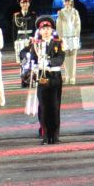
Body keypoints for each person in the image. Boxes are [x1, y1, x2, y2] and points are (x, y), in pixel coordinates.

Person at [33, 15, 65, 144]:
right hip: (42, 76)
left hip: (54, 76)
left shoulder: (58, 43)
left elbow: (60, 59)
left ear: (52, 30)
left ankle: (55, 135)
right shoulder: (36, 44)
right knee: (44, 107)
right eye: (43, 28)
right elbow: (25, 54)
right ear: (39, 31)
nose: (46, 31)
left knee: (55, 106)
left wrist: (49, 62)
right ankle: (46, 136)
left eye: (48, 28)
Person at [56, 0, 82, 85]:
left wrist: (77, 37)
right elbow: (58, 26)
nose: (67, 3)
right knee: (66, 58)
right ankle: (67, 76)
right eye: (65, 1)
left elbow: (78, 25)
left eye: (68, 1)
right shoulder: (60, 12)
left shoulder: (75, 11)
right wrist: (60, 37)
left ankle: (72, 77)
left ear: (71, 2)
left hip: (73, 37)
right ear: (63, 3)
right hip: (64, 38)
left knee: (73, 58)